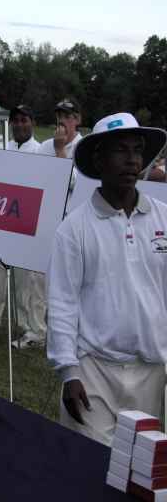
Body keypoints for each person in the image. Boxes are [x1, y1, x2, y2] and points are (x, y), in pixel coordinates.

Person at [48, 112, 167, 446]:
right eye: (120, 150)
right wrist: (69, 372)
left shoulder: (163, 217)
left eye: (137, 150)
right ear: (99, 160)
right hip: (93, 371)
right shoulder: (74, 229)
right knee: (89, 464)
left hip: (153, 370)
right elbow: (62, 303)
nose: (132, 160)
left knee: (139, 468)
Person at [0, 104, 46, 348]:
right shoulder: (4, 148)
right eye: (16, 120)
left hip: (28, 221)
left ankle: (28, 326)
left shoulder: (41, 151)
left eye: (24, 120)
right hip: (1, 217)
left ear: (33, 123)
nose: (19, 125)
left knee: (25, 278)